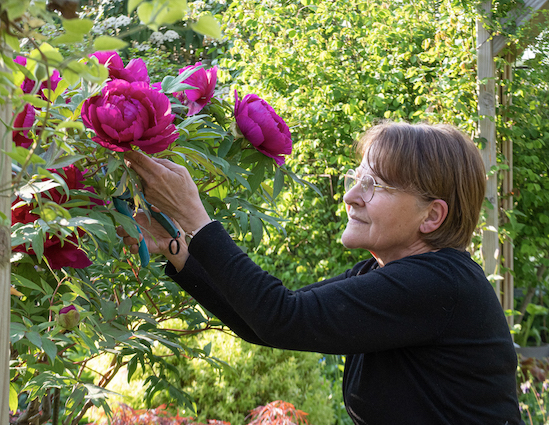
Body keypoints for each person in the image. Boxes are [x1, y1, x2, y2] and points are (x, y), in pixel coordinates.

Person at [118, 121, 523, 425]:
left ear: (432, 215)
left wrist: (195, 216)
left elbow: (281, 316)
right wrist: (177, 251)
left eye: (375, 185)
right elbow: (263, 323)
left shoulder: (439, 284)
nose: (350, 196)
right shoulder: (388, 274)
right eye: (356, 179)